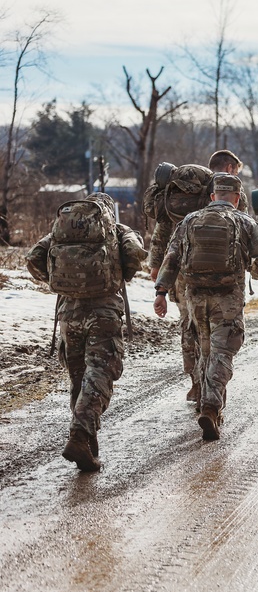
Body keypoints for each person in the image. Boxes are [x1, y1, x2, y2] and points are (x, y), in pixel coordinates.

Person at [26, 192, 148, 471]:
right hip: (103, 311)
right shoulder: (117, 230)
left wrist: (58, 281)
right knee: (100, 372)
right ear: (107, 213)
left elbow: (33, 258)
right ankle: (80, 435)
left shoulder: (61, 233)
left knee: (79, 376)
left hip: (68, 313)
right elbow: (135, 254)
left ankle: (88, 442)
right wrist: (119, 275)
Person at [154, 174, 258, 441]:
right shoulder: (244, 221)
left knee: (204, 350)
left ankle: (204, 401)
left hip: (195, 297)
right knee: (222, 352)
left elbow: (171, 258)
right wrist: (252, 272)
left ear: (212, 196)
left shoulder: (189, 220)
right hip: (228, 298)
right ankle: (211, 406)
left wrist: (161, 292)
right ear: (238, 198)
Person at [148, 149, 247, 405]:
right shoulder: (225, 190)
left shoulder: (178, 193)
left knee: (189, 324)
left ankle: (195, 382)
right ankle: (213, 383)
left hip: (181, 269)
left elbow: (161, 230)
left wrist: (156, 265)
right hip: (220, 271)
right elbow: (243, 226)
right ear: (229, 167)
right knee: (219, 328)